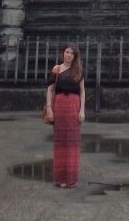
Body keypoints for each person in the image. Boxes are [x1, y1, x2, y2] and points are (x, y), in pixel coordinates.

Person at [45, 44, 85, 188]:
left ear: (75, 56)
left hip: (74, 105)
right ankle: (61, 178)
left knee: (73, 141)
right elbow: (50, 90)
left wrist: (82, 110)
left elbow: (82, 92)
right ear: (63, 53)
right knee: (61, 141)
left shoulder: (78, 70)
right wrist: (49, 108)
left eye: (72, 53)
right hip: (60, 105)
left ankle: (71, 179)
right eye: (67, 52)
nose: (69, 55)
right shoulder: (57, 69)